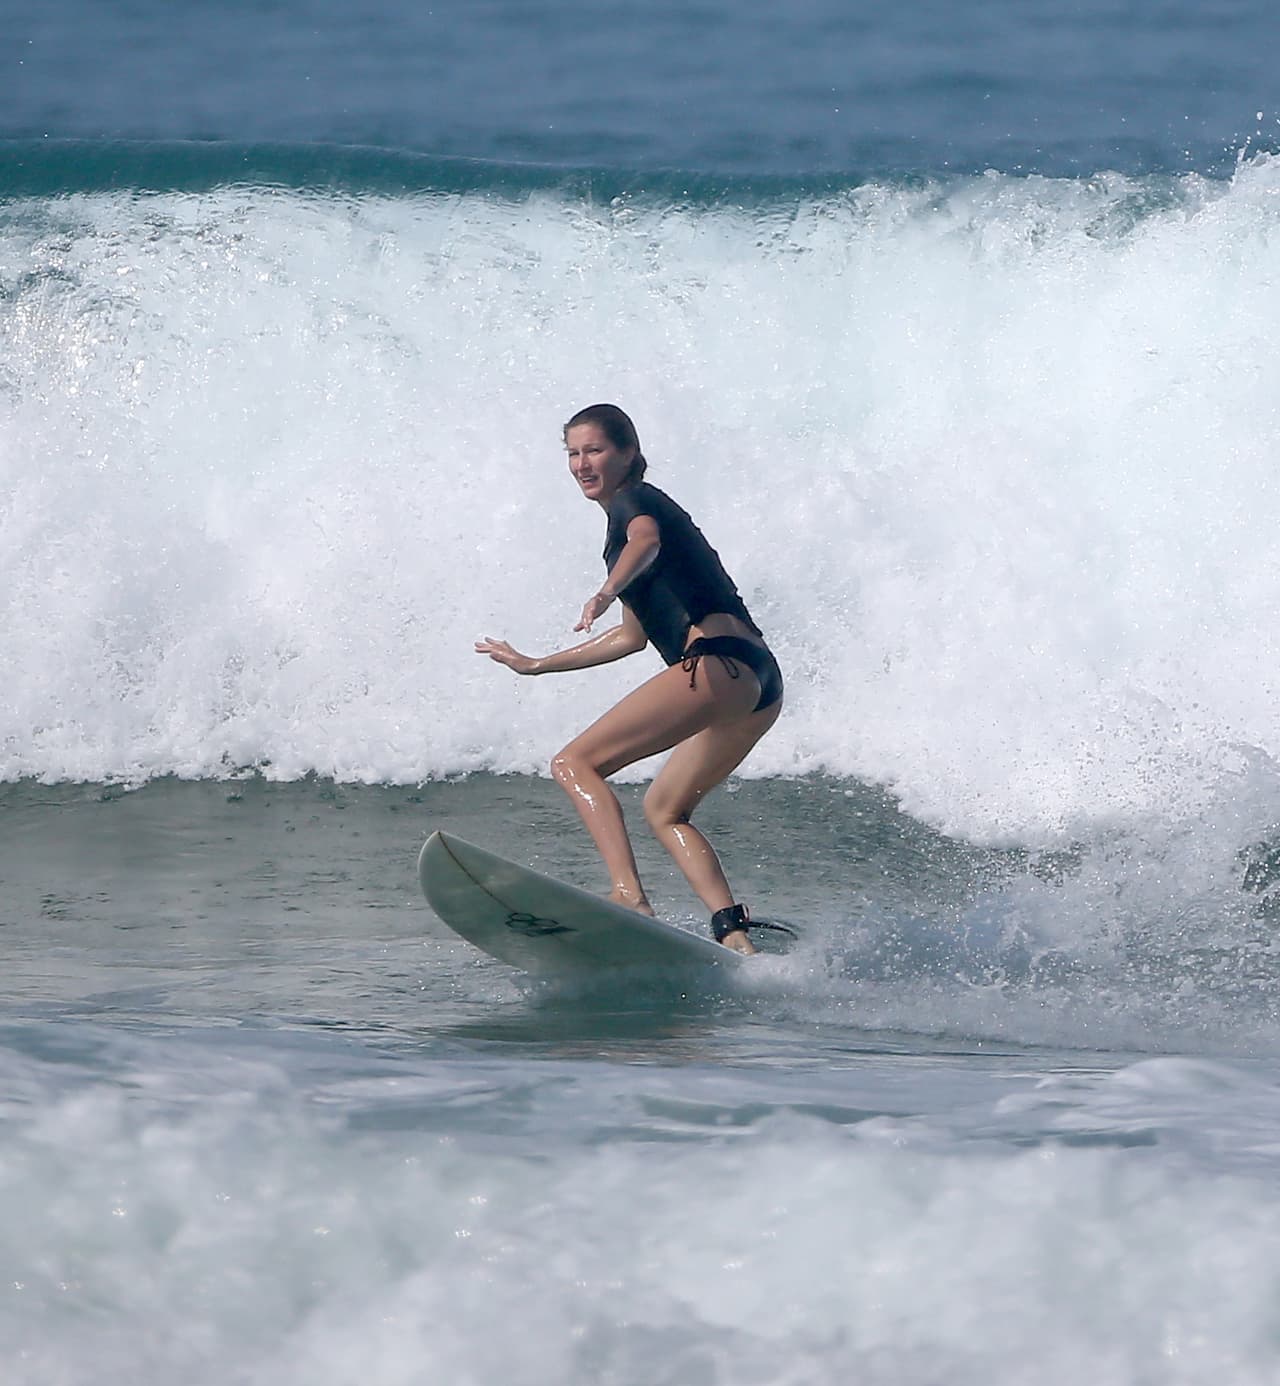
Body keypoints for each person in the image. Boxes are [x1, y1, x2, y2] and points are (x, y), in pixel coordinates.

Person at [475, 403, 785, 954]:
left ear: (628, 454)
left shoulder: (634, 503)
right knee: (664, 810)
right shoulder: (633, 522)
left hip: (717, 661)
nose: (581, 463)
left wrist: (605, 590)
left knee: (574, 763)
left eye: (594, 450)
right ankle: (734, 935)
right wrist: (537, 663)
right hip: (757, 681)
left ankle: (628, 895)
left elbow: (646, 542)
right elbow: (630, 638)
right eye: (572, 452)